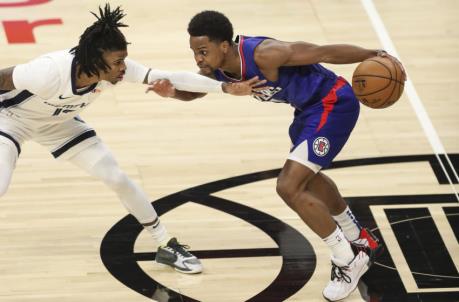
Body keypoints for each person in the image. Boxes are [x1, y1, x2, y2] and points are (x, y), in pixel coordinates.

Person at [147, 10, 406, 300]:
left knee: (288, 186)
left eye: (203, 51)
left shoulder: (266, 54)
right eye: (195, 52)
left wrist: (376, 52)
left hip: (333, 103)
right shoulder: (216, 68)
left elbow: (325, 52)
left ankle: (348, 258)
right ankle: (359, 237)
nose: (198, 59)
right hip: (307, 113)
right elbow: (197, 90)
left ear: (224, 46)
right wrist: (171, 92)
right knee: (308, 180)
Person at [0, 5, 263, 275]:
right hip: (11, 119)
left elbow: (171, 77)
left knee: (116, 177)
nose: (124, 68)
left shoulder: (116, 71)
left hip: (59, 124)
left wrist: (224, 87)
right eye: (118, 62)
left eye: (124, 59)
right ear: (94, 61)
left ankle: (165, 245)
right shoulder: (48, 72)